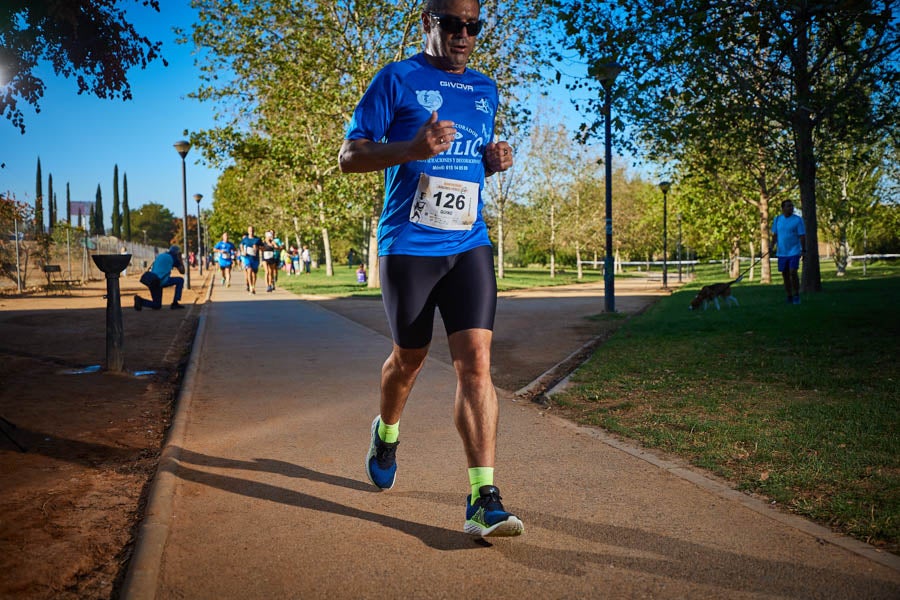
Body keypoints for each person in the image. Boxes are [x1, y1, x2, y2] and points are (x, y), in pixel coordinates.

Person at [338, 0, 521, 538]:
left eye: (474, 26)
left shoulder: (486, 89)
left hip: (469, 242)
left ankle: (483, 498)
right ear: (427, 23)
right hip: (407, 245)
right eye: (453, 24)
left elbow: (467, 156)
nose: (465, 35)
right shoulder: (395, 79)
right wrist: (410, 148)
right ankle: (387, 430)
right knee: (409, 361)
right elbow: (349, 157)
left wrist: (491, 160)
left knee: (476, 364)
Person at [771, 199, 806, 305]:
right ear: (783, 208)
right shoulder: (777, 219)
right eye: (788, 206)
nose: (791, 208)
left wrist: (803, 250)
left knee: (793, 272)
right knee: (785, 274)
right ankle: (789, 296)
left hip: (794, 251)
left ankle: (796, 295)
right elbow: (775, 235)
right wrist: (771, 246)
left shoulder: (798, 220)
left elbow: (802, 236)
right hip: (782, 252)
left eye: (792, 206)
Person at [134, 245, 186, 310]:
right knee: (180, 280)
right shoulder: (173, 257)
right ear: (177, 253)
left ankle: (140, 301)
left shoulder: (161, 255)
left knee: (157, 305)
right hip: (161, 281)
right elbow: (182, 271)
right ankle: (175, 303)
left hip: (152, 280)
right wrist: (180, 259)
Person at [241, 226, 263, 294]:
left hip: (255, 258)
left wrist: (257, 247)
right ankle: (250, 286)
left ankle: (253, 286)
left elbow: (263, 248)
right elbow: (241, 245)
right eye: (250, 230)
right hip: (247, 257)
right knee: (249, 270)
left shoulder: (257, 239)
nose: (251, 231)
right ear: (248, 231)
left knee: (254, 274)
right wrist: (243, 251)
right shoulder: (245, 239)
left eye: (252, 230)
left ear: (254, 231)